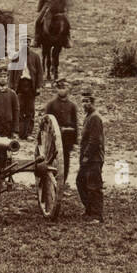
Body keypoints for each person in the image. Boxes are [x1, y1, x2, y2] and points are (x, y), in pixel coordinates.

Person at [43, 80, 79, 193]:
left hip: (67, 139)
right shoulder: (51, 104)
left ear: (68, 89)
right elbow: (46, 122)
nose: (62, 90)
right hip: (53, 139)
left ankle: (61, 186)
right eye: (60, 88)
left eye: (64, 87)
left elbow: (75, 123)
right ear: (56, 89)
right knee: (52, 162)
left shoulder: (72, 105)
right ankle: (50, 185)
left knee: (65, 162)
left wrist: (74, 140)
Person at [76, 88, 105, 222]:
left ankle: (96, 215)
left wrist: (86, 156)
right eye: (83, 101)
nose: (84, 104)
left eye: (87, 101)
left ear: (93, 103)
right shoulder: (88, 117)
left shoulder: (95, 118)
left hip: (94, 159)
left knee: (94, 186)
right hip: (87, 158)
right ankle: (89, 210)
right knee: (81, 182)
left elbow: (95, 141)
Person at [12, 39, 45, 139]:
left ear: (29, 44)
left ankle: (28, 133)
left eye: (27, 43)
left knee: (30, 110)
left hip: (31, 85)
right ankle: (17, 132)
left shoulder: (35, 56)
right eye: (23, 43)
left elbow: (39, 72)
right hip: (20, 85)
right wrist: (11, 87)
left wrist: (39, 86)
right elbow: (11, 73)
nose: (25, 45)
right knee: (19, 109)